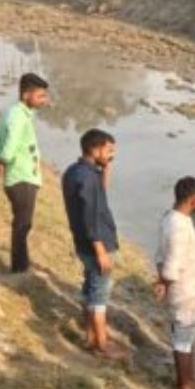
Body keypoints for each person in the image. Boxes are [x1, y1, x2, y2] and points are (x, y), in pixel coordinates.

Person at [61, 129, 122, 359]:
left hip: (82, 243)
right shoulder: (87, 177)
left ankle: (90, 338)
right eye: (109, 150)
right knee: (99, 295)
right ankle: (102, 345)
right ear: (95, 149)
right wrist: (101, 250)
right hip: (97, 245)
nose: (111, 155)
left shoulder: (76, 172)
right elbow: (90, 216)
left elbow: (99, 196)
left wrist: (106, 170)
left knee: (89, 289)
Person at [154, 177, 195, 389]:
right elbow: (172, 263)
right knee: (183, 339)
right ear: (194, 200)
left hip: (190, 287)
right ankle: (185, 387)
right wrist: (164, 283)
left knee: (186, 336)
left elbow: (163, 255)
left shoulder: (173, 217)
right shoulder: (179, 226)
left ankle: (188, 382)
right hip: (186, 290)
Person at [0, 73, 50, 274]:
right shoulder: (17, 116)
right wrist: (2, 160)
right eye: (40, 96)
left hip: (22, 175)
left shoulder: (17, 112)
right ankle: (19, 268)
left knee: (23, 223)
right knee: (22, 225)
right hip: (21, 177)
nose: (44, 101)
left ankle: (21, 265)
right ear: (26, 95)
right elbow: (10, 142)